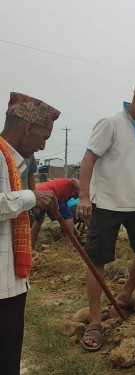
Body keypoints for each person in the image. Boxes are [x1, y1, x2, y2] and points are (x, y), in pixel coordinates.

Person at [76, 80, 135, 352]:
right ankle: (95, 321)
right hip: (105, 202)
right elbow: (89, 159)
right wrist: (83, 197)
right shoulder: (110, 123)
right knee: (98, 260)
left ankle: (125, 295)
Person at [0, 92, 59, 375]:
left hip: (10, 280)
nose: (43, 145)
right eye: (44, 136)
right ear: (27, 128)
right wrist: (31, 197)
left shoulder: (11, 161)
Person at [30, 178, 80, 251]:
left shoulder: (66, 194)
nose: (77, 197)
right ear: (77, 189)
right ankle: (70, 246)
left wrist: (76, 232)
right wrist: (85, 194)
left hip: (38, 194)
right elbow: (74, 180)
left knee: (39, 220)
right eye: (78, 195)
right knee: (69, 217)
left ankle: (31, 246)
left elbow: (64, 219)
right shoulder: (71, 183)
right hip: (48, 194)